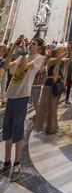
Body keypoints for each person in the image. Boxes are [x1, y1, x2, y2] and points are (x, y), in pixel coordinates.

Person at [0, 37, 45, 181]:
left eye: (34, 44)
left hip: (22, 97)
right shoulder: (21, 56)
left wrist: (24, 51)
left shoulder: (39, 58)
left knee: (18, 130)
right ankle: (7, 162)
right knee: (7, 131)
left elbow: (25, 67)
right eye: (30, 43)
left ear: (39, 47)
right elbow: (7, 67)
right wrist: (13, 49)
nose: (31, 45)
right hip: (11, 96)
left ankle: (17, 163)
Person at [35, 45, 66, 134]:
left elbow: (67, 60)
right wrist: (65, 52)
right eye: (58, 52)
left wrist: (70, 53)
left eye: (60, 52)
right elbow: (58, 59)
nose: (60, 53)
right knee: (49, 106)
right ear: (54, 53)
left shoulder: (60, 61)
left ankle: (53, 125)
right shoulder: (51, 60)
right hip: (50, 84)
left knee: (54, 106)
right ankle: (49, 127)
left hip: (58, 83)